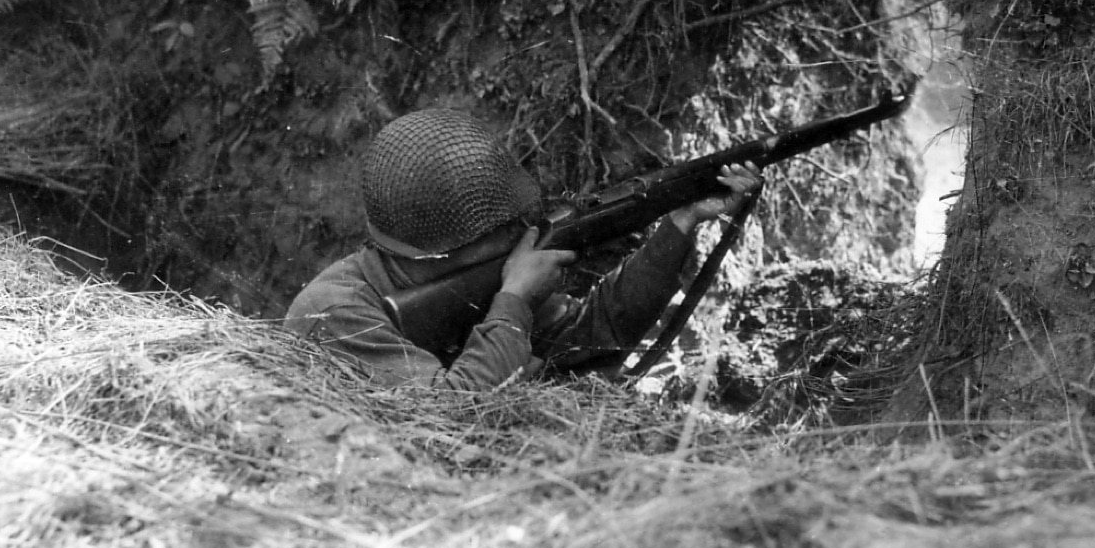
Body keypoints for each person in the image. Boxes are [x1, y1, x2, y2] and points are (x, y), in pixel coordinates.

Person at [285, 108, 761, 390]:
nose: (523, 233)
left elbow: (596, 332)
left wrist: (679, 224)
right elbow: (447, 412)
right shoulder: (334, 312)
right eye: (502, 229)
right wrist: (512, 303)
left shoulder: (481, 274)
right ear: (443, 251)